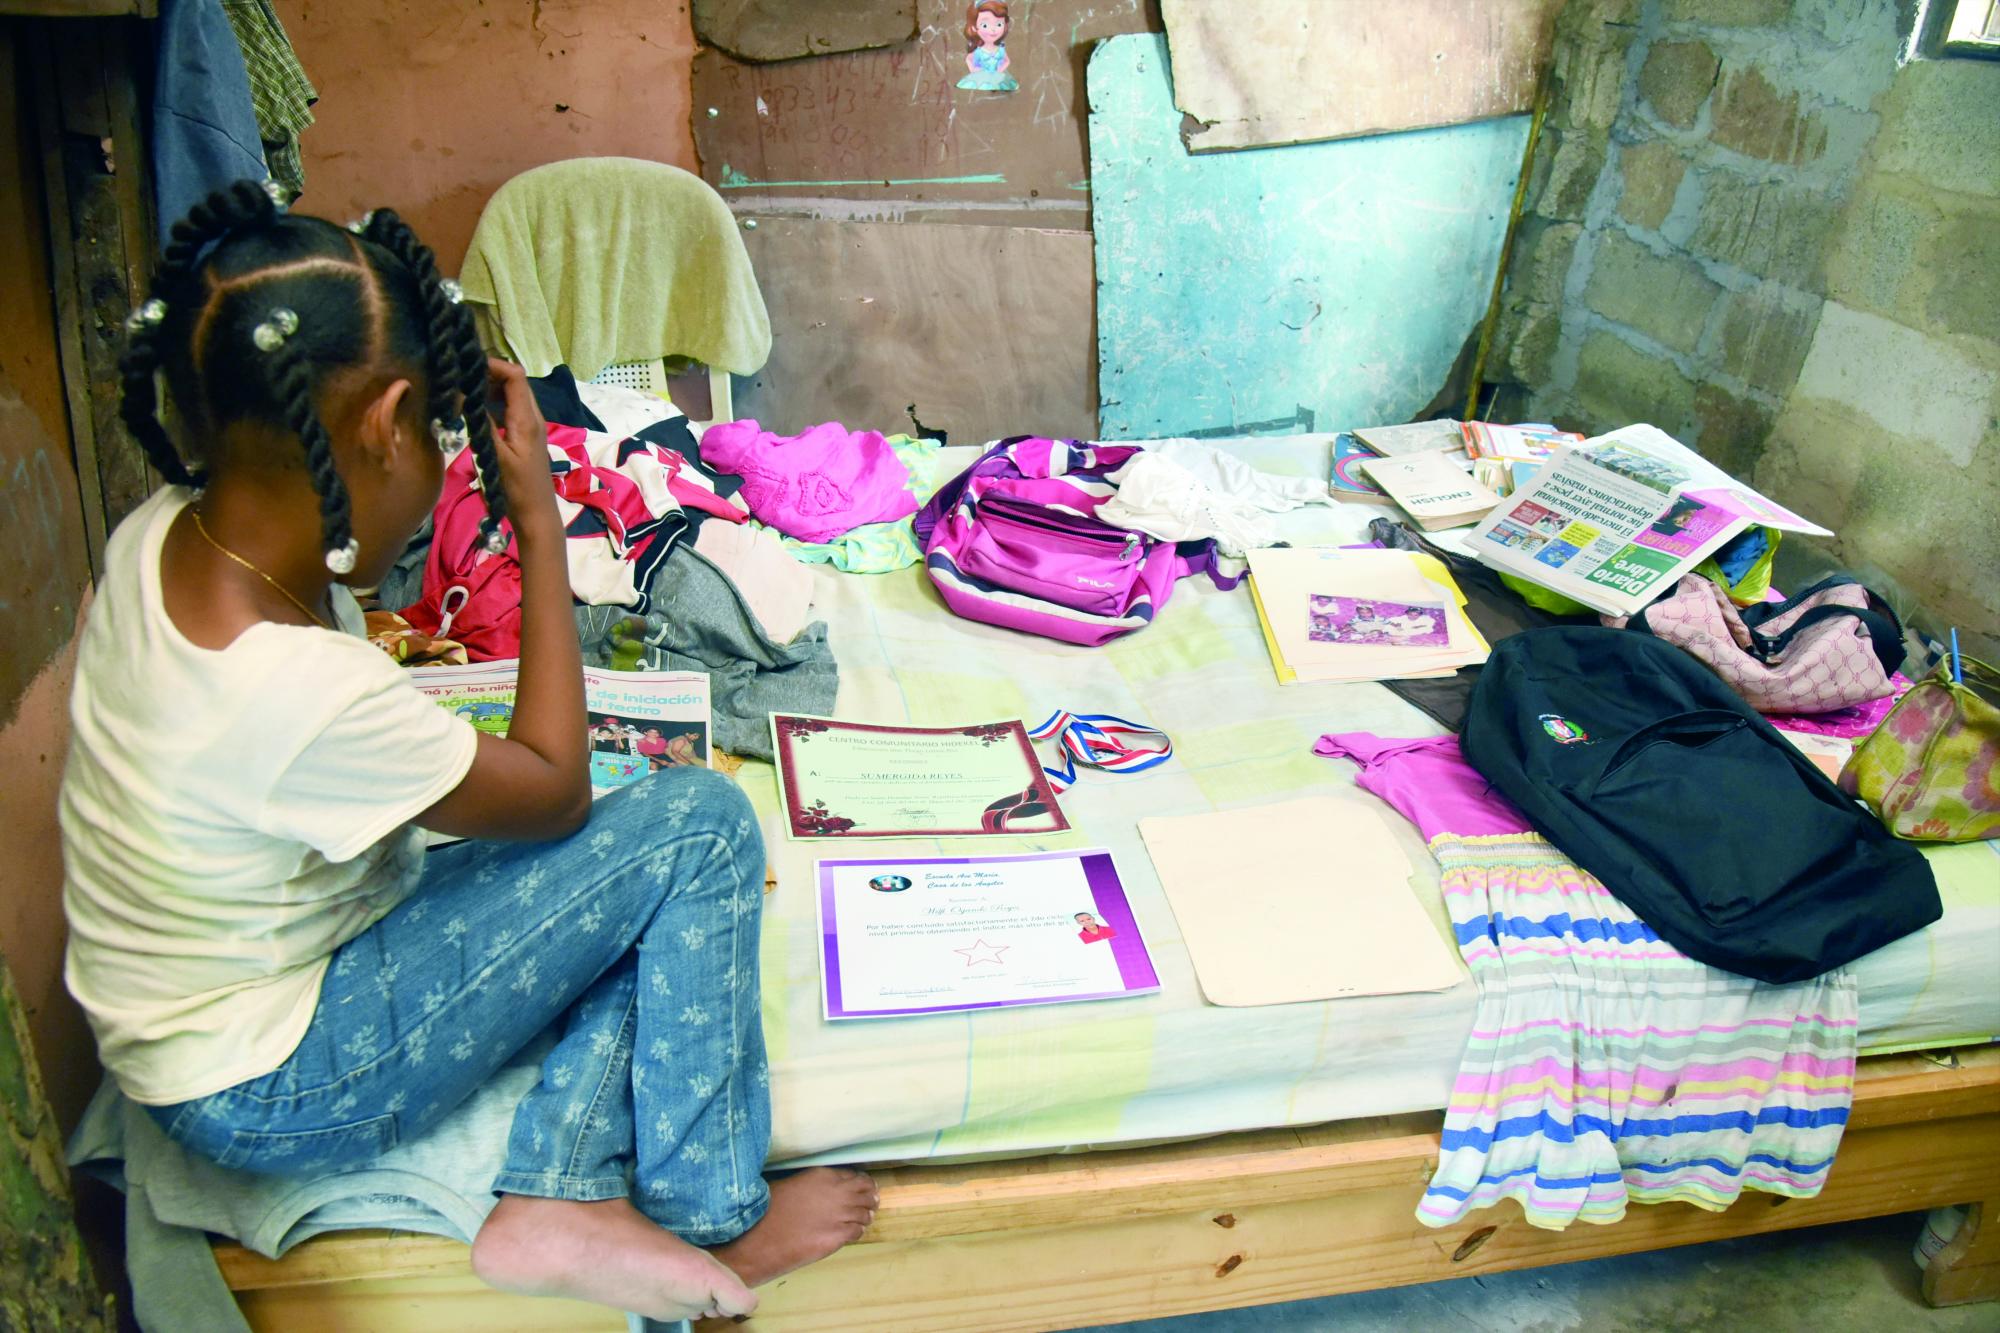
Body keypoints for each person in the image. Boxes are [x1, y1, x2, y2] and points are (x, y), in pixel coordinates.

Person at [58, 180, 875, 1325]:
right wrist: (536, 518)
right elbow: (549, 792)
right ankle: (706, 1210)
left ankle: (561, 1189)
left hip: (210, 1017)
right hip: (273, 1083)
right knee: (697, 830)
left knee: (626, 866)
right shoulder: (290, 688)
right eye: (439, 437)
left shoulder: (162, 541)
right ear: (388, 424)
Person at [957, 1, 1018, 92]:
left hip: (998, 77)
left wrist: (1000, 70)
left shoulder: (1000, 49)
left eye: (999, 24)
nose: (993, 30)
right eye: (985, 25)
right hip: (980, 77)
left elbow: (1007, 61)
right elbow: (968, 59)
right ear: (974, 27)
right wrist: (973, 69)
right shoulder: (979, 50)